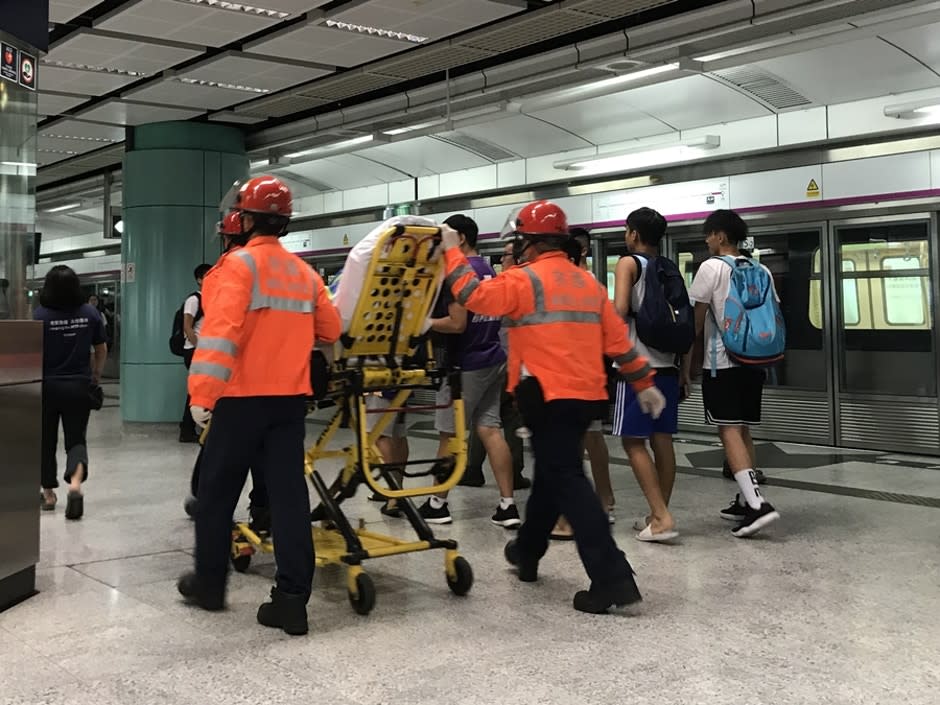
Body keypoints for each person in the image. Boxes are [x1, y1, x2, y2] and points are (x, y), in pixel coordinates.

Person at [440, 200, 666, 614]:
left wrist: (452, 250)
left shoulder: (524, 281)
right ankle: (527, 550)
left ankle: (611, 578)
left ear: (530, 242)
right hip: (587, 398)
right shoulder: (587, 283)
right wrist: (644, 383)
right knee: (550, 475)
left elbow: (472, 296)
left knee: (568, 480)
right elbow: (618, 341)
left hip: (546, 396)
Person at [177, 175, 342, 635]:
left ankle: (210, 585)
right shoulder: (305, 273)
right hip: (289, 404)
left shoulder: (237, 267)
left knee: (214, 497)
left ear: (245, 219)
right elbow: (330, 329)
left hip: (241, 403)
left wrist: (202, 397)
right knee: (289, 501)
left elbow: (220, 336)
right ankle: (291, 600)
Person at [685, 209, 780, 538]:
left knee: (728, 430)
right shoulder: (761, 269)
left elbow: (695, 326)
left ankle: (757, 505)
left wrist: (687, 368)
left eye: (709, 234)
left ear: (721, 236)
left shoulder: (710, 268)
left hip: (722, 361)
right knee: (744, 430)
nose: (707, 240)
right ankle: (744, 498)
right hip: (755, 362)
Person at [421, 214, 520, 528]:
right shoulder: (488, 269)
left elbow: (457, 323)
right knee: (490, 429)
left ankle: (437, 502)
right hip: (493, 357)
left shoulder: (456, 272)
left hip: (465, 366)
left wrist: (423, 324)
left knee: (448, 434)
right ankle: (507, 505)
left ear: (459, 238)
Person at [183, 212, 270, 532]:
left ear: (228, 238)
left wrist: (202, 394)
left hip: (233, 386)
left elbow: (218, 337)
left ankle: (208, 510)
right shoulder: (283, 267)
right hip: (277, 386)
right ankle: (262, 510)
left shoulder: (223, 272)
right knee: (265, 455)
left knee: (221, 454)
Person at [613, 208, 682, 542]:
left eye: (627, 231)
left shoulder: (628, 263)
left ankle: (661, 516)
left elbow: (620, 310)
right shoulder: (668, 268)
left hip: (638, 366)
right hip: (668, 366)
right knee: (662, 440)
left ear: (634, 234)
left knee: (632, 441)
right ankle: (659, 514)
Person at [550, 227, 614, 541]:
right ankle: (604, 500)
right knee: (590, 438)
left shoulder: (572, 285)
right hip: (591, 373)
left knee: (570, 446)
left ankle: (570, 516)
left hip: (571, 375)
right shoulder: (592, 284)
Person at [34, 265, 108, 519]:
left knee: (45, 441)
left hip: (46, 387)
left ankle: (48, 493)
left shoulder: (40, 316)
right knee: (76, 440)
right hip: (79, 386)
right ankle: (75, 486)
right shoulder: (89, 313)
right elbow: (101, 348)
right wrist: (95, 374)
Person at [463, 243, 529, 490]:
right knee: (496, 419)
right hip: (504, 360)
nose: (502, 258)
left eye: (506, 254)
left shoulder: (513, 284)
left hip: (509, 359)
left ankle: (473, 469)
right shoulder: (512, 282)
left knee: (490, 418)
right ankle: (510, 474)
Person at [179, 263, 212, 443]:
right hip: (195, 351)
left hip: (207, 352)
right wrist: (199, 348)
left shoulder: (213, 298)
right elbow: (187, 326)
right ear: (199, 280)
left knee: (200, 391)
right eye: (207, 276)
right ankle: (187, 429)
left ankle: (191, 427)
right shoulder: (194, 300)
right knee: (196, 392)